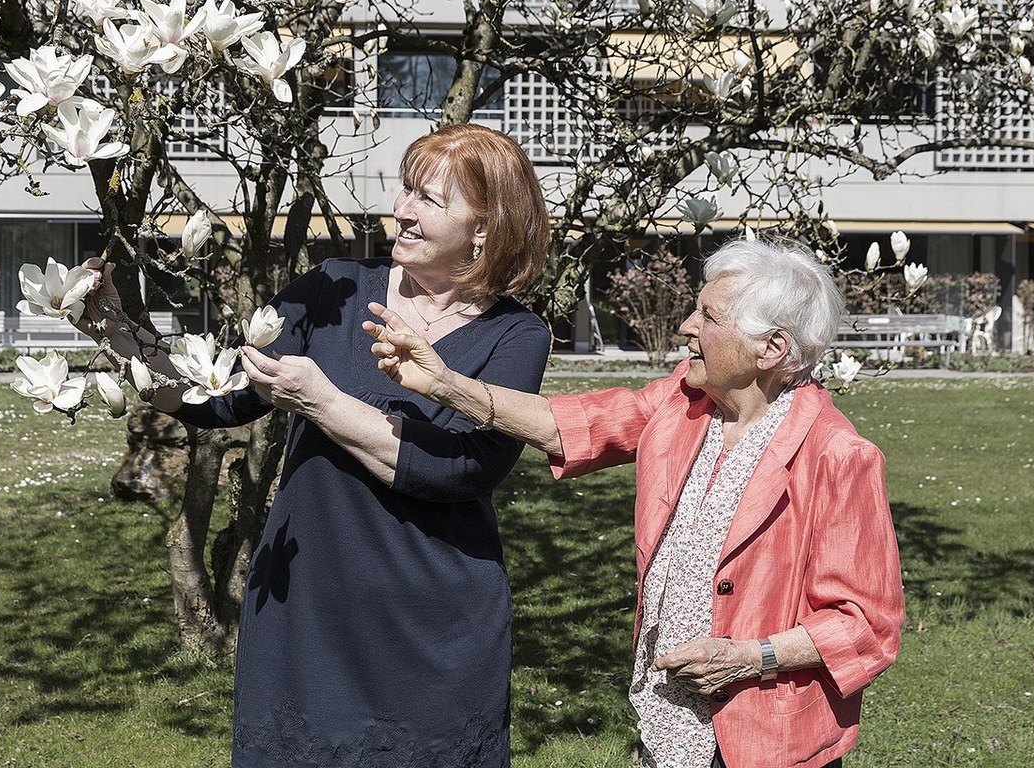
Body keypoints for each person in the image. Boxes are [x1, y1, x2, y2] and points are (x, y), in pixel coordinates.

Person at [76, 123, 552, 767]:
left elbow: (461, 470)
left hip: (430, 624)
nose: (402, 211)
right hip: (307, 614)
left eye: (428, 199)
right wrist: (120, 334)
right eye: (405, 190)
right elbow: (219, 398)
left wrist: (322, 400)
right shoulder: (334, 290)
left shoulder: (516, 335)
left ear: (485, 228)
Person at [365, 238, 905, 768]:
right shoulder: (684, 402)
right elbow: (571, 425)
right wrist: (445, 384)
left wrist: (751, 659)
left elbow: (866, 624)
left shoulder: (837, 456)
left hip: (766, 736)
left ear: (771, 349)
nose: (687, 328)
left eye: (709, 318)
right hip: (668, 721)